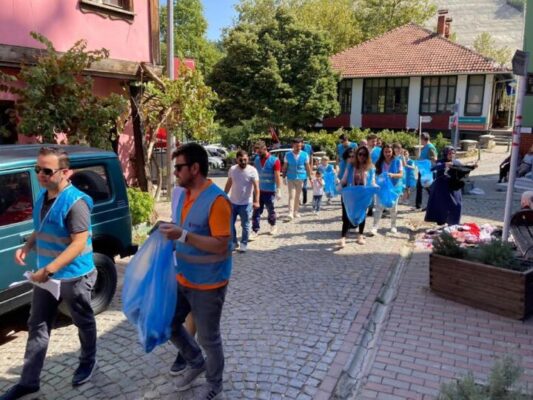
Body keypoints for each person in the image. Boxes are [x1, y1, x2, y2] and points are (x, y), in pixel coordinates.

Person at [1, 147, 97, 400]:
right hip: (47, 275)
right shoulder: (43, 197)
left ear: (66, 173)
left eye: (47, 170)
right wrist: (27, 246)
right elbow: (41, 226)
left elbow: (78, 243)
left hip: (74, 275)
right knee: (37, 324)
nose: (40, 175)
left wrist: (50, 269)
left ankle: (88, 361)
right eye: (37, 170)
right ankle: (29, 381)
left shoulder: (76, 203)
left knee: (83, 320)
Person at [159, 143, 232, 400]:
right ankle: (195, 362)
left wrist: (184, 235)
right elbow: (183, 229)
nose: (175, 172)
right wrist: (168, 230)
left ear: (195, 168)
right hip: (183, 279)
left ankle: (214, 385)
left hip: (209, 285)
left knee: (209, 339)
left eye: (179, 167)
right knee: (168, 324)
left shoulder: (218, 201)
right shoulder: (185, 195)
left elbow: (221, 246)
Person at [425, 146, 477, 226]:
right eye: (449, 153)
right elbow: (433, 168)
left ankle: (453, 223)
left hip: (454, 187)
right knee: (441, 206)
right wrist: (445, 165)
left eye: (453, 153)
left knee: (457, 204)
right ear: (445, 154)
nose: (451, 155)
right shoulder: (441, 161)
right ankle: (441, 222)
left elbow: (463, 168)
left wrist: (472, 166)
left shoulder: (456, 162)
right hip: (441, 188)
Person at [338, 146, 376, 247]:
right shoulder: (350, 165)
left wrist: (376, 186)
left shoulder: (370, 167)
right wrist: (340, 185)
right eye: (360, 154)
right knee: (346, 215)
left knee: (362, 215)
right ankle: (343, 238)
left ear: (367, 156)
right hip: (351, 194)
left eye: (364, 154)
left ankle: (360, 235)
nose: (362, 156)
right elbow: (344, 178)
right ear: (357, 155)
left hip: (363, 194)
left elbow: (372, 181)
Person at [224, 150, 260, 253]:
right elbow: (229, 183)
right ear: (237, 159)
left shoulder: (252, 170)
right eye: (241, 160)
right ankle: (234, 242)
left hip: (246, 203)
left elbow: (256, 187)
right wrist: (223, 195)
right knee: (230, 224)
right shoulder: (232, 169)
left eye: (245, 159)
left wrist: (256, 201)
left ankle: (244, 243)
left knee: (245, 224)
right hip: (233, 202)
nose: (243, 162)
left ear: (248, 159)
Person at [371, 143, 404, 235]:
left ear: (392, 151)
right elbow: (375, 175)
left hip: (394, 188)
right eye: (385, 151)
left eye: (389, 151)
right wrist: (375, 181)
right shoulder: (379, 162)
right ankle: (374, 227)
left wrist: (392, 175)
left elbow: (401, 174)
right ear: (383, 152)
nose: (387, 153)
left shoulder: (398, 161)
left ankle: (393, 226)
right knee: (378, 207)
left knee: (393, 208)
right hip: (381, 188)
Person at [252, 140, 282, 236]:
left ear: (265, 149)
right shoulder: (256, 160)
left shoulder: (275, 160)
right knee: (256, 210)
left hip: (270, 191)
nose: (258, 154)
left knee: (270, 210)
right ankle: (255, 230)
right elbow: (254, 174)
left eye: (259, 152)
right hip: (258, 190)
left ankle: (273, 225)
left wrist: (278, 189)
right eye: (257, 152)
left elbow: (277, 176)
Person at [282, 138, 312, 221]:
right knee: (291, 195)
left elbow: (307, 166)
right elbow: (285, 166)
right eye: (296, 146)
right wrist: (283, 176)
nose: (298, 147)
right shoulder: (287, 155)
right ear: (293, 145)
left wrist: (310, 177)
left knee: (297, 196)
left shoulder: (305, 154)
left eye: (300, 146)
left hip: (301, 178)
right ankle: (290, 213)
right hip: (291, 177)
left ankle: (296, 211)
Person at [415, 132, 437, 210]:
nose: (420, 141)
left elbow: (434, 159)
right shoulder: (425, 147)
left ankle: (432, 205)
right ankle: (418, 206)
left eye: (420, 139)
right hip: (423, 170)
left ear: (424, 139)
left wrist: (424, 162)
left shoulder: (430, 147)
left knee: (428, 188)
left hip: (427, 172)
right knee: (420, 187)